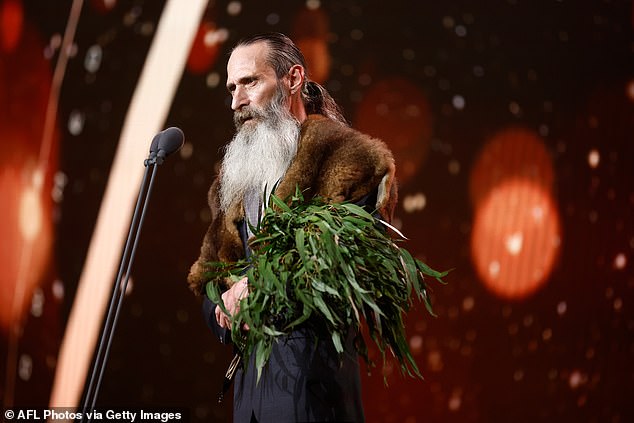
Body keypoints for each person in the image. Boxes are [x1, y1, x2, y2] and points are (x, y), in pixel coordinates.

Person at [187, 33, 397, 423]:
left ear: (293, 79)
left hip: (315, 392)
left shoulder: (351, 162)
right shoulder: (235, 182)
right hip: (250, 400)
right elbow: (210, 279)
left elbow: (346, 269)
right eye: (232, 88)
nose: (237, 101)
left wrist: (260, 287)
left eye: (250, 82)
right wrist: (223, 308)